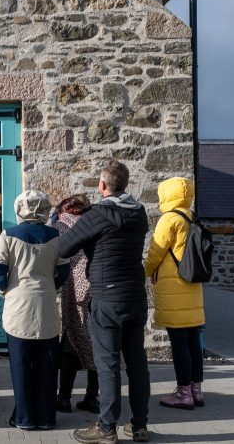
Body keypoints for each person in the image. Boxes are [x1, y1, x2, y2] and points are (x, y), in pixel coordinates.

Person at [58, 160, 150, 444]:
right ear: (126, 183)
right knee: (136, 362)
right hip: (135, 295)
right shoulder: (140, 212)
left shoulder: (98, 214)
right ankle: (139, 426)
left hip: (107, 298)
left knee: (108, 364)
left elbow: (63, 247)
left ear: (102, 185)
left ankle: (107, 427)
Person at [0, 190, 70, 431]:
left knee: (21, 366)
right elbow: (63, 272)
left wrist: (6, 290)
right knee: (47, 366)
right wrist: (48, 286)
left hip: (18, 308)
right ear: (45, 209)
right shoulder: (56, 236)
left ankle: (24, 417)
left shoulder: (9, 235)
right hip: (45, 305)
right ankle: (46, 417)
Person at [144, 177, 206, 410]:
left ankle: (183, 393)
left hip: (173, 286)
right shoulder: (192, 217)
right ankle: (196, 390)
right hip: (192, 285)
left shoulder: (169, 218)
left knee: (178, 341)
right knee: (192, 341)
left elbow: (156, 252)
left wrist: (147, 271)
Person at [54, 194, 99, 414]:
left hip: (74, 293)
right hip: (97, 288)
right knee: (97, 344)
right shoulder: (96, 224)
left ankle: (63, 398)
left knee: (71, 342)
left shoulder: (61, 226)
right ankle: (92, 396)